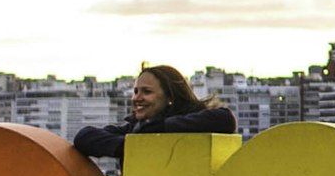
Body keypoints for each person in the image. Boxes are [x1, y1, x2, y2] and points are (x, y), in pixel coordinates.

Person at [70, 64, 239, 160]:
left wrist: (163, 128)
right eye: (136, 92)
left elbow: (225, 119)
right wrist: (132, 146)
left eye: (146, 92)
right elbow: (85, 137)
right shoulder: (135, 130)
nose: (138, 98)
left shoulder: (191, 121)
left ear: (169, 97)